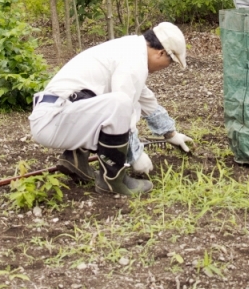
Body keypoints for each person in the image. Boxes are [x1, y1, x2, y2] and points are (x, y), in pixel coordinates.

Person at [28, 22, 193, 196]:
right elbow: (122, 107)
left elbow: (145, 99)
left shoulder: (130, 50)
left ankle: (76, 161)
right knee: (120, 103)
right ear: (161, 53)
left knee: (112, 103)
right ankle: (112, 181)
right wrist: (135, 154)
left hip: (59, 115)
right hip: (54, 120)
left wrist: (171, 133)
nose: (163, 69)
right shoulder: (133, 61)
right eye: (169, 63)